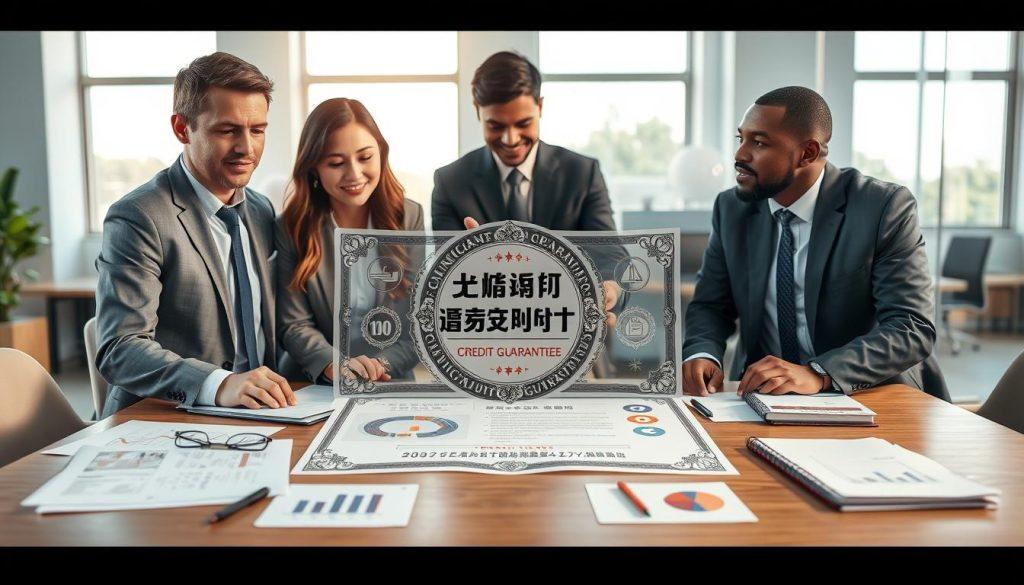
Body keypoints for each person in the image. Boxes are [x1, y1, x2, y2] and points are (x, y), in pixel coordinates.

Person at [681, 86, 948, 401]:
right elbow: (711, 304)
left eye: (759, 142)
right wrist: (703, 353)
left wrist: (819, 373)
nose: (740, 155)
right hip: (761, 396)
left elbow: (910, 326)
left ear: (807, 153)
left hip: (865, 394)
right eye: (742, 139)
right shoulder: (731, 209)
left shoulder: (881, 207)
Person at [95, 52, 296, 417]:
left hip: (263, 413)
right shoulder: (139, 216)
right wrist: (220, 384)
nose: (246, 148)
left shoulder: (260, 209)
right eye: (227, 130)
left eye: (257, 130)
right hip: (163, 417)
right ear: (182, 128)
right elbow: (120, 348)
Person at [431, 50, 623, 326]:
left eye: (523, 124)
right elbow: (444, 282)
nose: (510, 139)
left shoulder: (581, 173)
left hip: (570, 333)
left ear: (540, 107)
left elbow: (611, 257)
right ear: (477, 111)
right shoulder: (450, 181)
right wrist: (469, 264)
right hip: (484, 337)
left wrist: (609, 289)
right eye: (496, 126)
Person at [276, 98, 424, 384]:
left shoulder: (409, 216)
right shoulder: (291, 226)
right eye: (336, 163)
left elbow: (414, 324)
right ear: (314, 168)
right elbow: (294, 325)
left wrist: (376, 367)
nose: (354, 174)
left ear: (381, 153)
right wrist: (335, 367)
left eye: (365, 157)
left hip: (389, 379)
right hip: (315, 383)